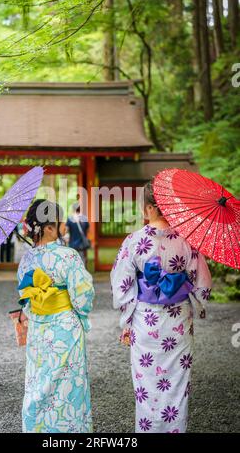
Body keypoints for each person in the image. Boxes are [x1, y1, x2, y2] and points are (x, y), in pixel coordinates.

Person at [110, 182, 212, 433]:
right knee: (177, 383)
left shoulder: (133, 241)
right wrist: (199, 303)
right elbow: (202, 282)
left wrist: (126, 319)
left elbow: (122, 285)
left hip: (146, 320)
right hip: (178, 320)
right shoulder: (187, 241)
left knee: (146, 383)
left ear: (149, 208)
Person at [17, 199, 95, 433]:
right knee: (68, 385)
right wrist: (80, 312)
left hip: (39, 329)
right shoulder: (68, 256)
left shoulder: (27, 259)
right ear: (49, 227)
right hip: (65, 330)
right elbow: (83, 296)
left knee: (38, 384)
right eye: (61, 223)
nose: (64, 227)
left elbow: (26, 299)